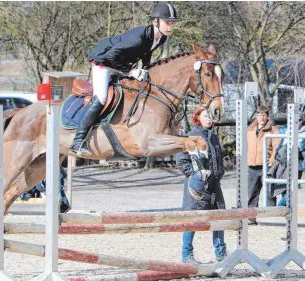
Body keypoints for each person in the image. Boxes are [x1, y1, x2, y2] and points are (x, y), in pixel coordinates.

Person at [70, 2, 178, 156]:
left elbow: (146, 52)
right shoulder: (137, 37)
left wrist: (146, 69)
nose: (170, 26)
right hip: (104, 62)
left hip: (120, 63)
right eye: (167, 22)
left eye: (172, 23)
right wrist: (131, 71)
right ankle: (78, 141)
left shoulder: (160, 38)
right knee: (101, 97)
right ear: (155, 21)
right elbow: (111, 56)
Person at [176, 107, 227, 265]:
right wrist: (196, 176)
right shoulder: (192, 136)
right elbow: (181, 160)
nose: (209, 119)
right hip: (197, 186)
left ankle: (221, 253)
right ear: (198, 118)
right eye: (205, 116)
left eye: (210, 116)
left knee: (219, 217)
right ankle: (187, 255)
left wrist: (219, 172)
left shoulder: (213, 136)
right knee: (192, 219)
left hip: (214, 184)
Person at [247, 106, 280, 225]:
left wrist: (272, 160)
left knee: (270, 191)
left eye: (264, 115)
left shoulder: (273, 130)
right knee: (251, 193)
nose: (262, 117)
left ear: (267, 117)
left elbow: (277, 147)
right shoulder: (250, 129)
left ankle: (271, 217)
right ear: (256, 116)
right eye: (260, 115)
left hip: (266, 165)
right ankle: (251, 217)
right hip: (252, 166)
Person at [268, 104, 305, 206]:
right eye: (293, 119)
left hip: (296, 165)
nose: (296, 122)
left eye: (299, 120)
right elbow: (279, 147)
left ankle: (281, 207)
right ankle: (287, 215)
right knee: (284, 188)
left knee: (291, 191)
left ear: (302, 121)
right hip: (283, 164)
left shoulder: (304, 133)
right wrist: (277, 157)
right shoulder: (286, 131)